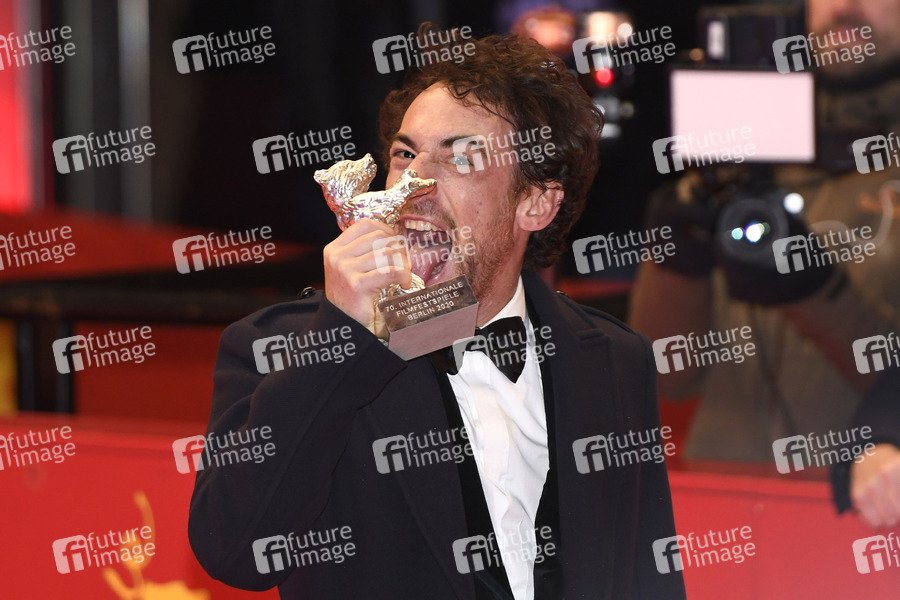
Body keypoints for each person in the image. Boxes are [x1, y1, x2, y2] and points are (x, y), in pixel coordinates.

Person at [188, 27, 685, 600]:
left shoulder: (614, 360)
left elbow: (652, 580)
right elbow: (236, 552)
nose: (415, 183)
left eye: (462, 156)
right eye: (405, 154)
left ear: (535, 203)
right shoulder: (281, 349)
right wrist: (346, 338)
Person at [628, 0, 900, 526]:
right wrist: (675, 265)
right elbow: (668, 380)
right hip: (715, 501)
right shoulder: (744, 143)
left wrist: (816, 294)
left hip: (860, 511)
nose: (845, 7)